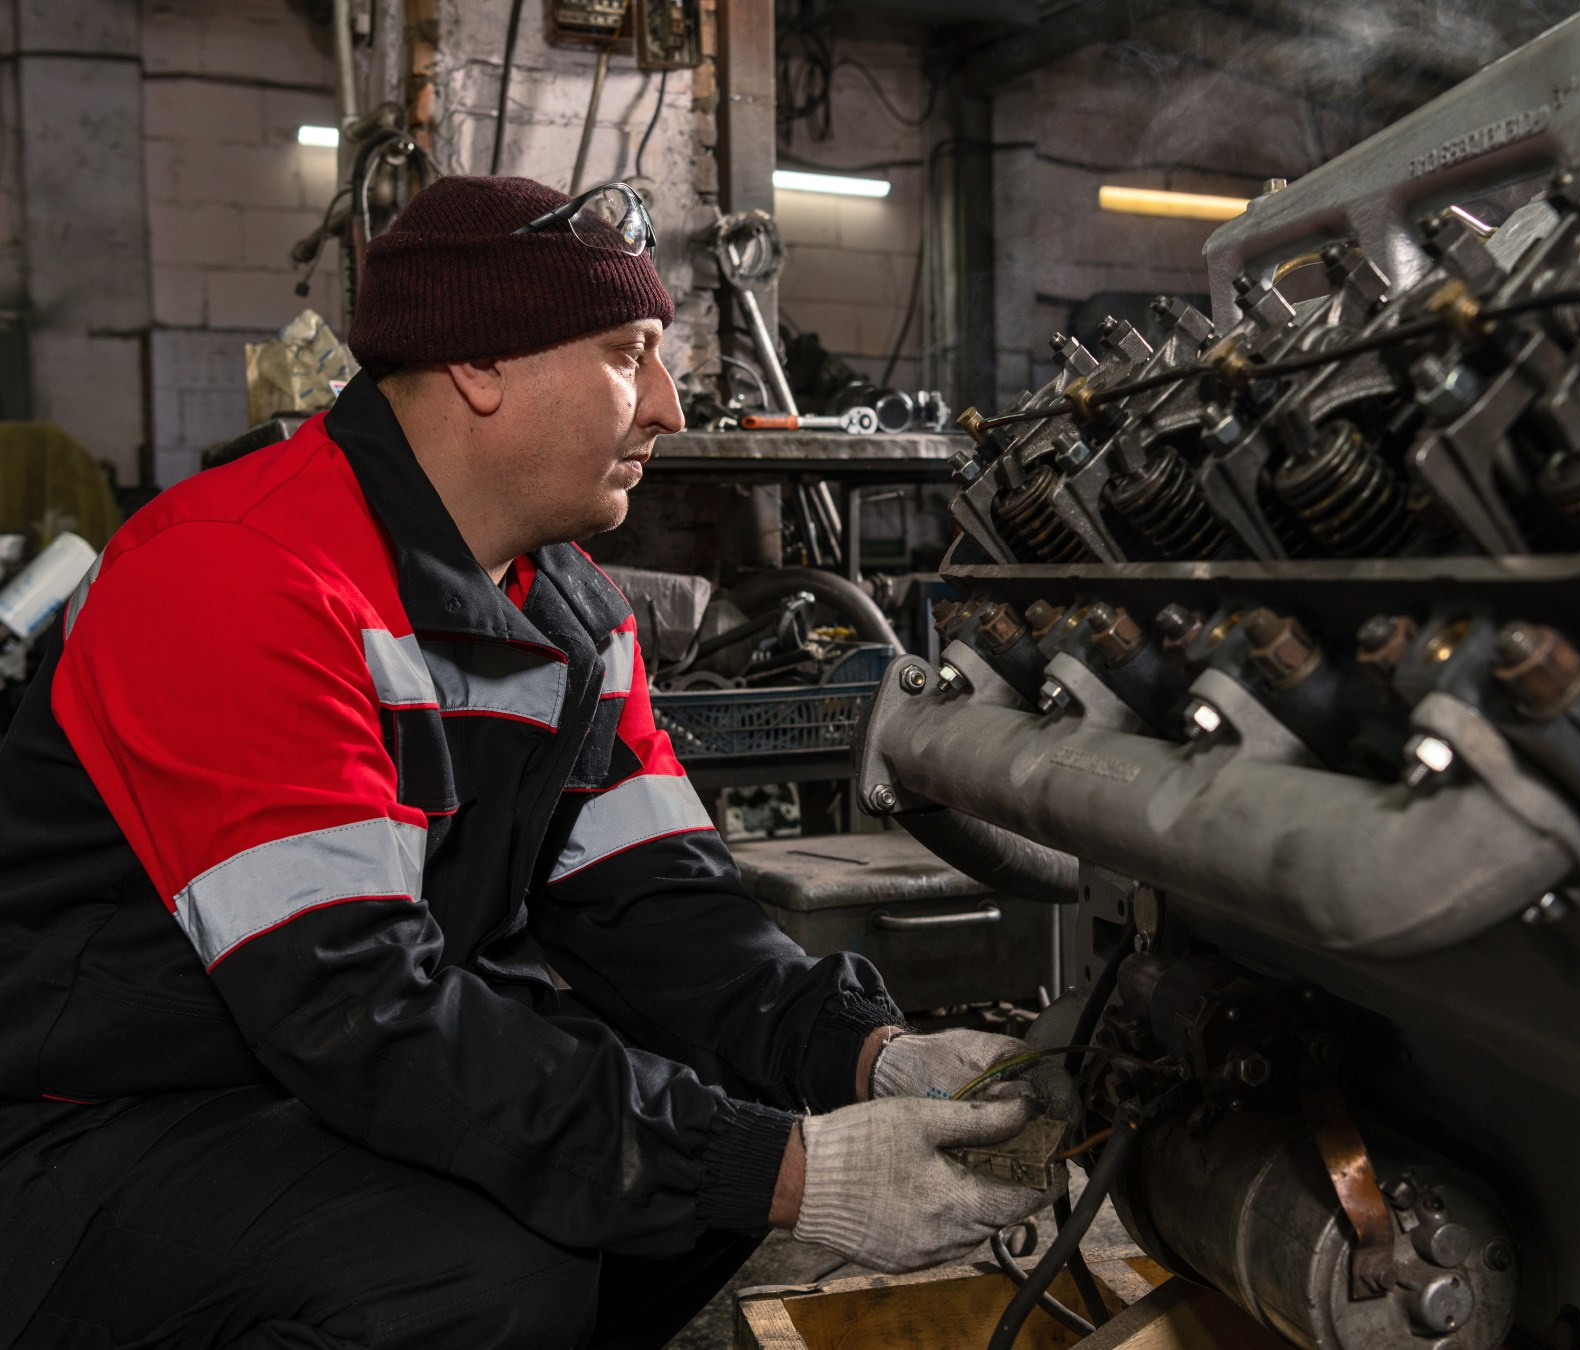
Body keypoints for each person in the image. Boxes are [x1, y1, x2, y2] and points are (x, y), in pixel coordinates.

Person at [0, 176, 1056, 1349]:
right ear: (481, 367)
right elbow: (352, 1006)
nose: (666, 403)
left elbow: (663, 908)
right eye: (627, 352)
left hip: (294, 1084)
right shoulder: (241, 573)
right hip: (90, 1127)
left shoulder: (570, 620)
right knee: (475, 1267)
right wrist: (798, 1175)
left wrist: (871, 1059)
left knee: (707, 1139)